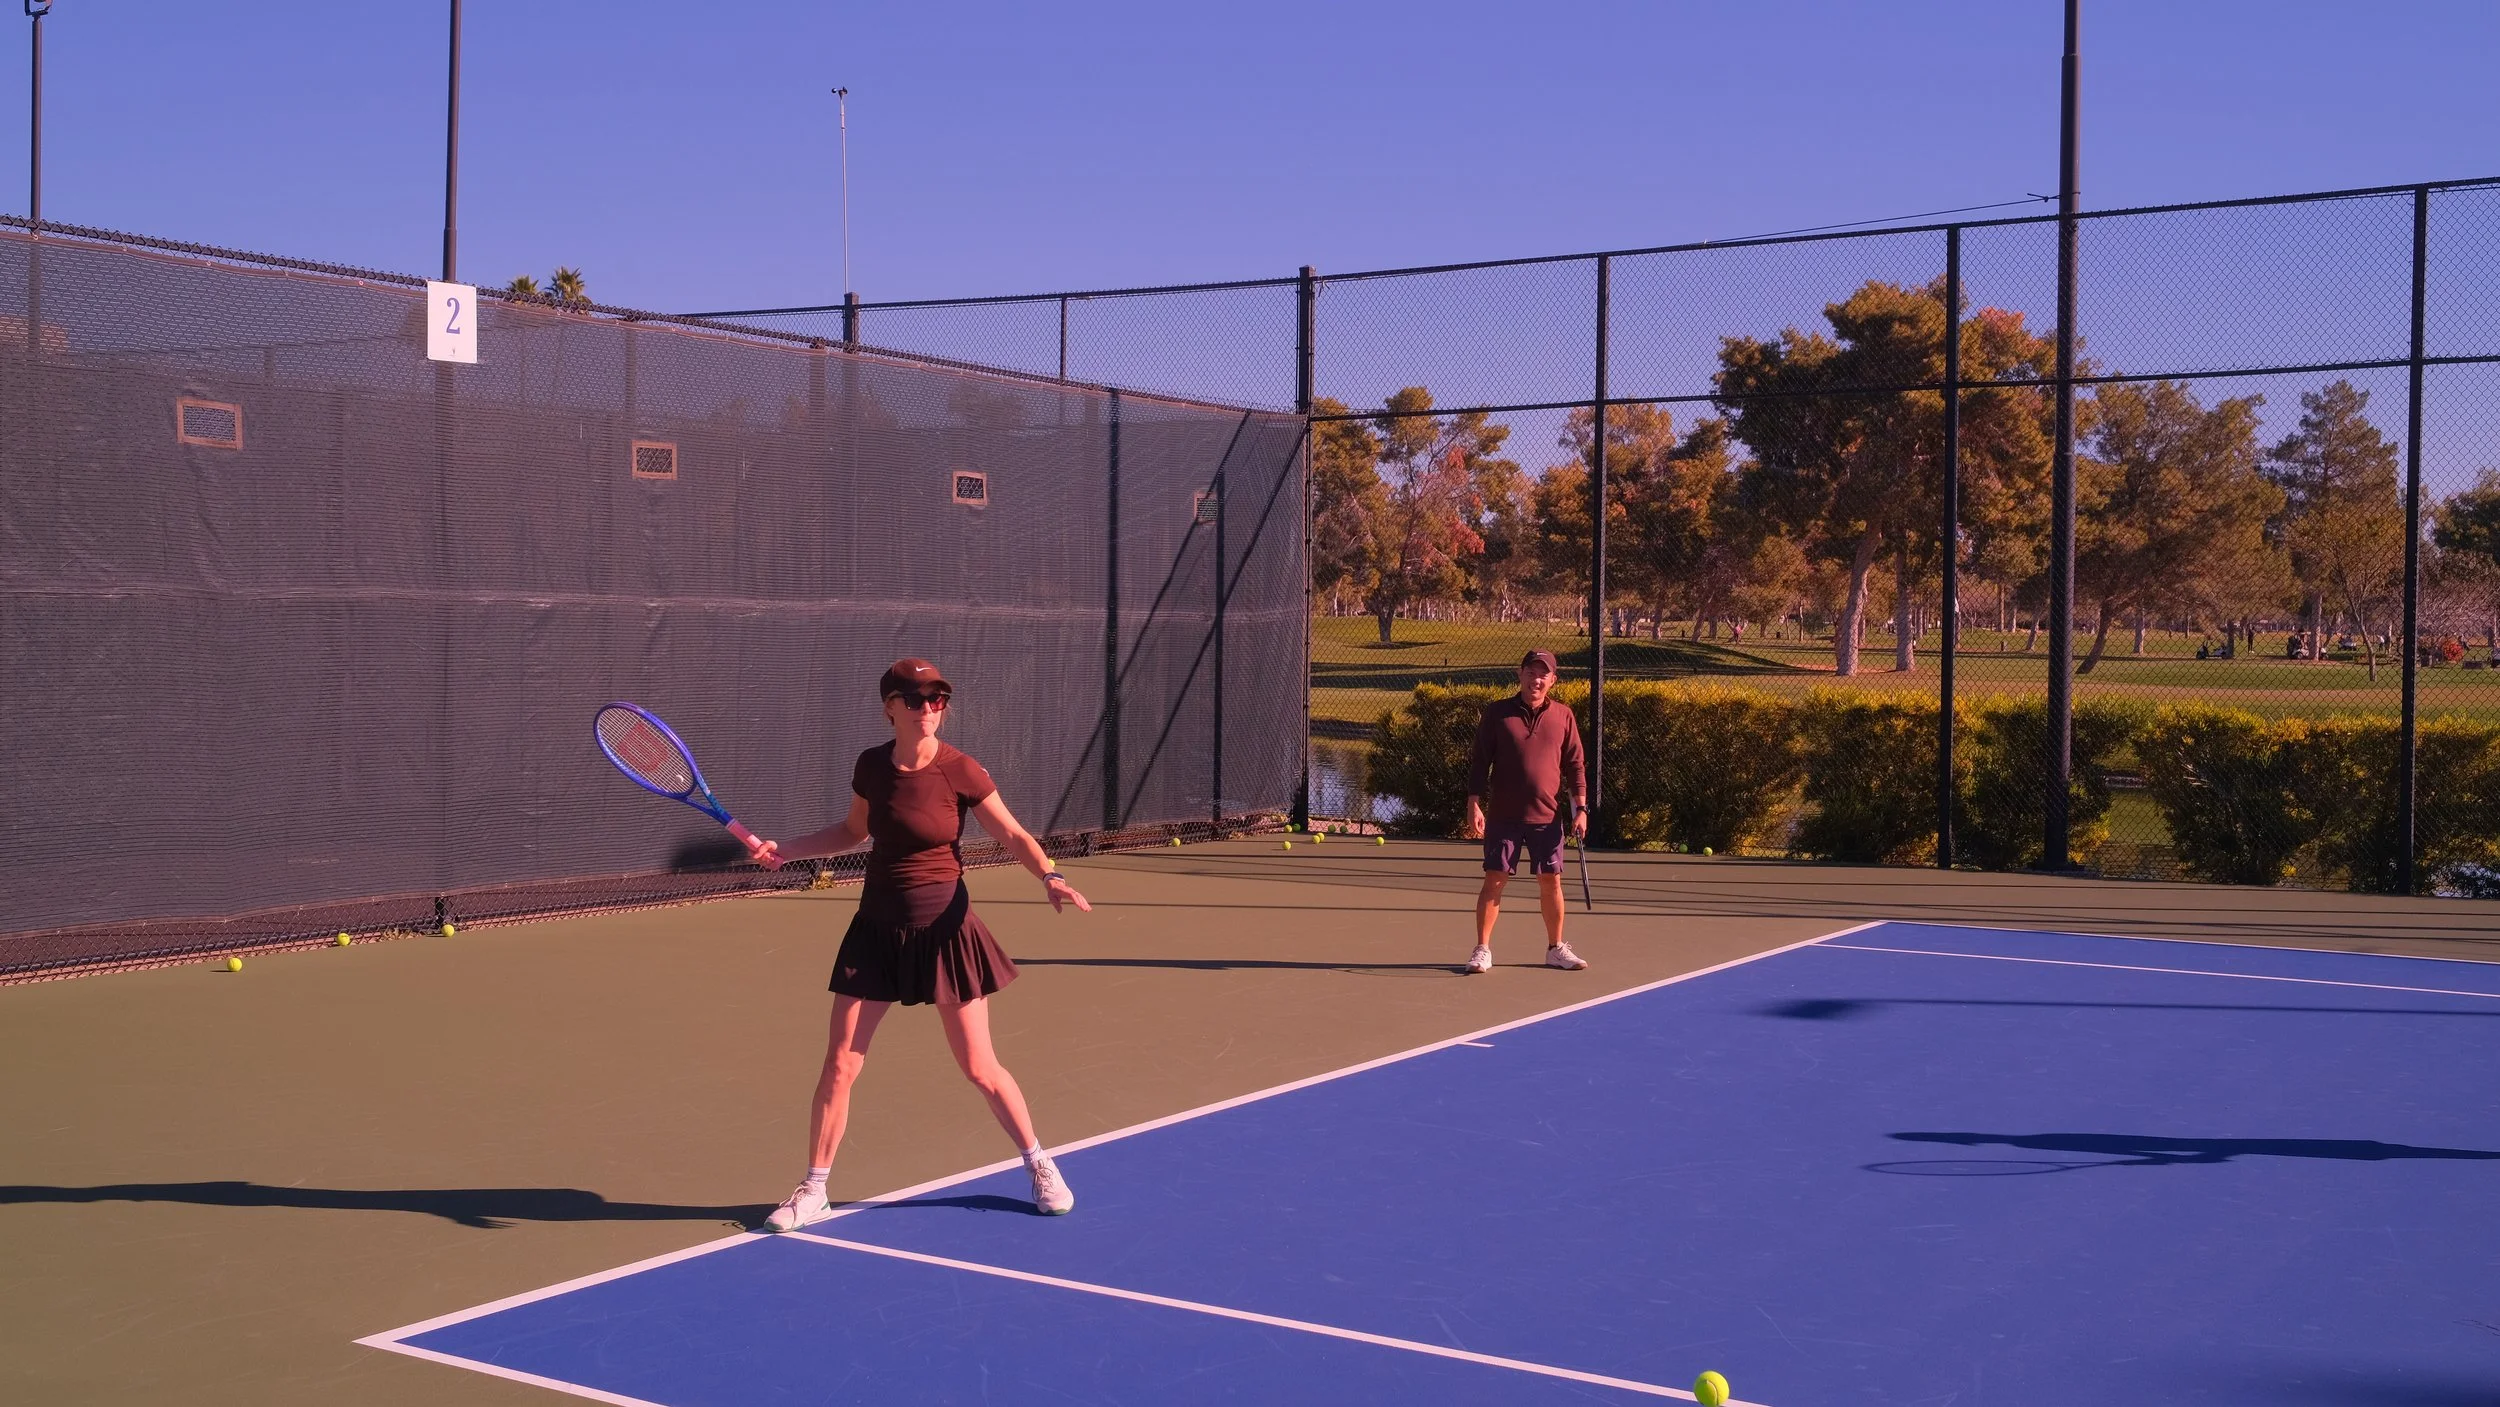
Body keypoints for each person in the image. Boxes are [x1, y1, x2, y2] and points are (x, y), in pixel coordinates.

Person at [743, 658, 1090, 1231]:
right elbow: (853, 831)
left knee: (980, 1067)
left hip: (946, 931)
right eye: (918, 699)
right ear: (891, 708)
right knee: (839, 1064)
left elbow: (1012, 833)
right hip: (876, 929)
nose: (931, 708)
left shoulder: (961, 770)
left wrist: (1049, 875)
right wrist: (790, 850)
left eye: (938, 699)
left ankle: (1039, 1163)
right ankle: (814, 1189)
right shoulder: (872, 767)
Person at [1460, 649, 1588, 975]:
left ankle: (1555, 949)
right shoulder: (1497, 714)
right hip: (1503, 815)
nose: (1537, 679)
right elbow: (1480, 762)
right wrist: (1474, 802)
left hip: (1547, 818)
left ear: (1553, 681)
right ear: (1520, 675)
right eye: (1531, 672)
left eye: (1543, 674)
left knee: (1551, 882)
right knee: (1495, 881)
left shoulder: (1564, 716)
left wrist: (1581, 808)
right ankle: (1482, 950)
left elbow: (1575, 766)